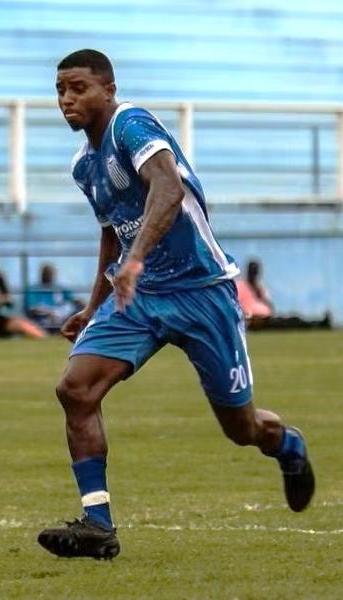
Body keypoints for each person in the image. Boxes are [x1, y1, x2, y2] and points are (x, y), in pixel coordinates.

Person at [37, 50, 315, 560]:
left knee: (241, 428)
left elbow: (167, 188)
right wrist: (93, 304)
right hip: (139, 296)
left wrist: (136, 259)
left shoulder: (132, 125)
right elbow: (111, 232)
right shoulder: (83, 166)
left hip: (201, 291)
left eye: (78, 88)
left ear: (108, 90)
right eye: (60, 90)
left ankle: (286, 443)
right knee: (75, 389)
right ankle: (98, 525)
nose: (66, 99)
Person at [237, 260, 332, 330]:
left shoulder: (260, 287)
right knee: (287, 323)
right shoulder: (240, 286)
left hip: (267, 318)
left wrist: (261, 296)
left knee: (294, 319)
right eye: (252, 272)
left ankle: (319, 323)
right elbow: (238, 307)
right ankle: (317, 324)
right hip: (254, 321)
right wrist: (250, 318)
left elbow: (271, 307)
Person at [24, 263, 85, 333]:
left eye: (51, 273)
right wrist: (48, 313)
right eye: (47, 273)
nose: (49, 275)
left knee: (77, 311)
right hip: (43, 318)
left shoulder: (58, 288)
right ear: (42, 274)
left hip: (61, 316)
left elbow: (73, 299)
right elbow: (33, 308)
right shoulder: (34, 289)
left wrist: (86, 306)